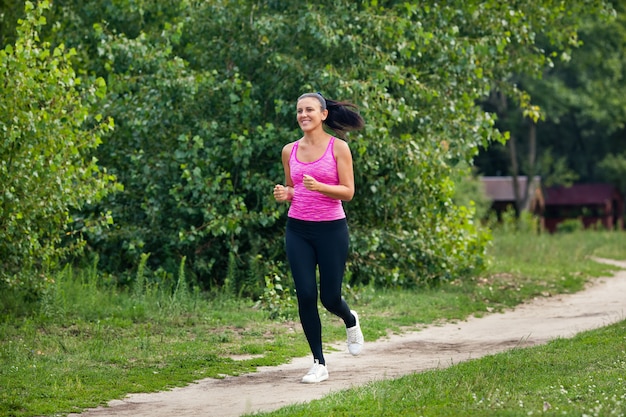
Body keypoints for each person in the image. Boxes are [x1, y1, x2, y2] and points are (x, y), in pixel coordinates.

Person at [273, 92, 365, 384]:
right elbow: (292, 189)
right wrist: (286, 194)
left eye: (309, 109)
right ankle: (318, 362)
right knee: (306, 295)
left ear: (323, 114)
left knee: (329, 297)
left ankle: (350, 319)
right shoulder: (289, 150)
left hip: (331, 229)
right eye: (299, 110)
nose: (303, 115)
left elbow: (348, 192)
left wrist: (321, 186)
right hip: (298, 229)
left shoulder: (339, 148)